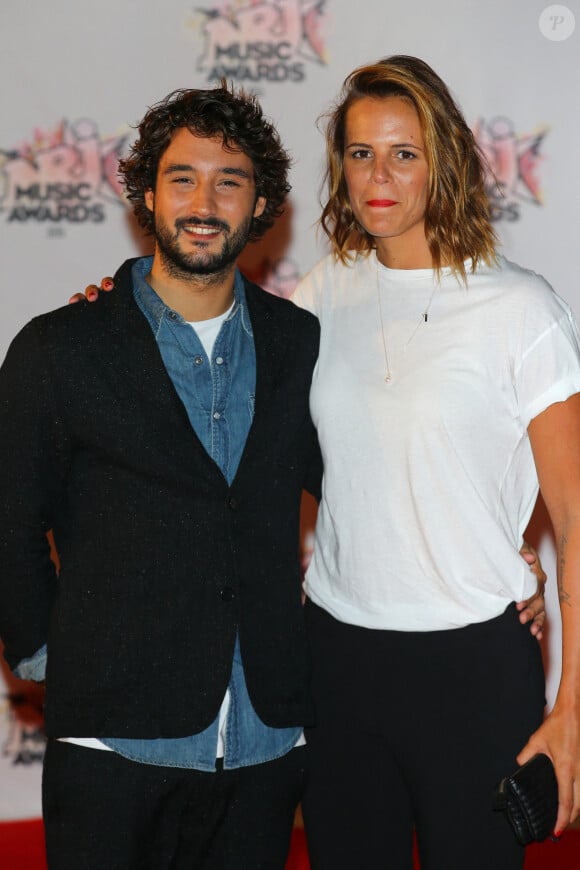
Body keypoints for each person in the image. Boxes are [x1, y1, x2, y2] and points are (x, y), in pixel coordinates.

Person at [0, 83, 322, 870]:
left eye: (230, 180)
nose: (204, 201)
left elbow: (374, 484)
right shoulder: (60, 348)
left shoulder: (303, 344)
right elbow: (9, 518)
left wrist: (494, 560)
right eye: (182, 178)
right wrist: (50, 656)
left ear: (263, 204)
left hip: (266, 740)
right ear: (147, 193)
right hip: (112, 744)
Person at [288, 55, 580, 869]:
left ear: (442, 161)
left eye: (403, 153)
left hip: (474, 672)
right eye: (358, 153)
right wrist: (118, 304)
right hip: (338, 660)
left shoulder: (521, 310)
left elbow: (579, 520)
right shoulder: (321, 293)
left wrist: (572, 710)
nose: (378, 175)